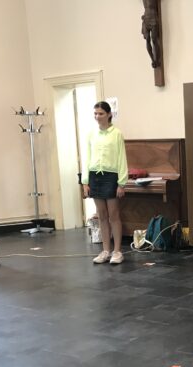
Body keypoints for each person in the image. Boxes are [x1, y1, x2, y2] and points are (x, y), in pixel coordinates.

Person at [81, 101, 128, 264]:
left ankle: (117, 251)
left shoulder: (117, 134)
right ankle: (106, 250)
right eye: (95, 113)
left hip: (111, 176)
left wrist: (121, 183)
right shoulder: (91, 134)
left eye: (100, 113)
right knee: (101, 215)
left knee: (114, 215)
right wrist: (85, 181)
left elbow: (122, 158)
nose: (97, 116)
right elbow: (87, 157)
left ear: (109, 115)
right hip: (95, 176)